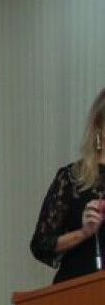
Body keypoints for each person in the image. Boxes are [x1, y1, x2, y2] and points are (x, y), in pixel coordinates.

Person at [29, 87, 105, 283]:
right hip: (79, 295)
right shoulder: (72, 178)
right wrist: (85, 232)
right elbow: (41, 245)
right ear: (99, 127)